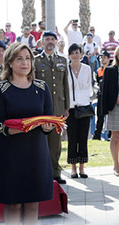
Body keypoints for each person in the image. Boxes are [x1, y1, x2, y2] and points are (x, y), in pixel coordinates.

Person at [0, 41, 55, 225]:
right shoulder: (0, 90)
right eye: (19, 59)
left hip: (35, 153)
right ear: (9, 62)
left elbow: (47, 121)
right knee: (14, 204)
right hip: (9, 154)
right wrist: (27, 126)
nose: (25, 63)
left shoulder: (42, 88)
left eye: (28, 58)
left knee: (32, 203)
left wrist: (47, 126)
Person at [34, 31, 70, 184]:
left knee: (56, 142)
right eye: (47, 39)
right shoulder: (35, 61)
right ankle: (41, 172)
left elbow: (65, 85)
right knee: (40, 141)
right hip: (41, 108)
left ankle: (55, 172)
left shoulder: (62, 60)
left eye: (52, 39)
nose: (50, 42)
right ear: (41, 42)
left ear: (56, 42)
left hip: (58, 107)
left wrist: (67, 106)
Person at [101, 44, 119, 176]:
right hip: (115, 107)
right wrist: (114, 100)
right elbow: (105, 90)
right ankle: (116, 166)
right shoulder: (110, 70)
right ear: (117, 55)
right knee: (115, 135)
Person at [66, 43, 94, 178]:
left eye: (77, 52)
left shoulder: (87, 69)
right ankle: (73, 168)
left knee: (83, 138)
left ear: (81, 54)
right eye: (72, 53)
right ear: (69, 55)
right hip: (71, 108)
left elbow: (90, 86)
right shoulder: (65, 69)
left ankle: (82, 167)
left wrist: (87, 100)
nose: (75, 55)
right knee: (72, 138)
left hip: (84, 107)